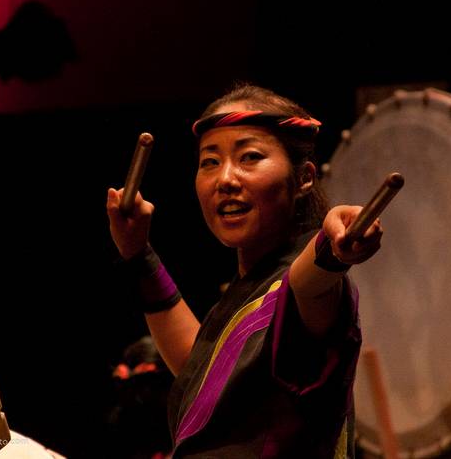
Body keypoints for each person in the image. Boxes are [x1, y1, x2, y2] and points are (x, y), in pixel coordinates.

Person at [106, 84, 383, 458]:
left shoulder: (307, 287)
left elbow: (308, 283)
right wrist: (139, 255)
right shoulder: (251, 285)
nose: (226, 179)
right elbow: (199, 367)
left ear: (304, 178)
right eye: (210, 161)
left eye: (249, 157)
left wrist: (331, 248)